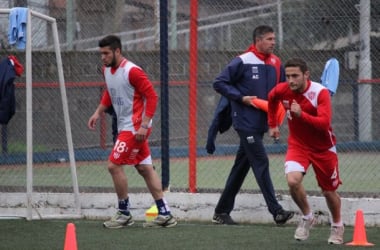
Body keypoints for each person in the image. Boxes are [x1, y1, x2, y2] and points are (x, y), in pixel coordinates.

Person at [88, 35, 177, 228]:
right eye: (101, 54)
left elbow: (152, 96)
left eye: (106, 53)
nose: (102, 57)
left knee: (113, 165)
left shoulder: (132, 71)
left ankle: (124, 212)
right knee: (144, 168)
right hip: (125, 126)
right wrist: (97, 112)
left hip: (135, 126)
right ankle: (165, 213)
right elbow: (110, 93)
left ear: (117, 51)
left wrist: (144, 125)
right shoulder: (107, 71)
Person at [211, 25, 294, 225]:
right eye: (269, 39)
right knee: (261, 161)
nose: (273, 42)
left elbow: (281, 92)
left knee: (241, 167)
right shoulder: (242, 60)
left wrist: (276, 122)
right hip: (244, 122)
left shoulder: (276, 63)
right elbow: (219, 83)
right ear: (258, 40)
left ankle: (221, 212)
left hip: (262, 124)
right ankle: (277, 211)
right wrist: (241, 98)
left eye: (274, 39)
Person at [267, 58, 344, 244]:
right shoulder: (283, 90)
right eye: (287, 76)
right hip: (298, 145)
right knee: (293, 181)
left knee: (328, 192)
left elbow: (324, 124)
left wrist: (302, 115)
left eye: (295, 76)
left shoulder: (320, 93)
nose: (291, 80)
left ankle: (337, 225)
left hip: (324, 148)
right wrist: (272, 125)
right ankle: (308, 217)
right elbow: (271, 98)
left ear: (306, 75)